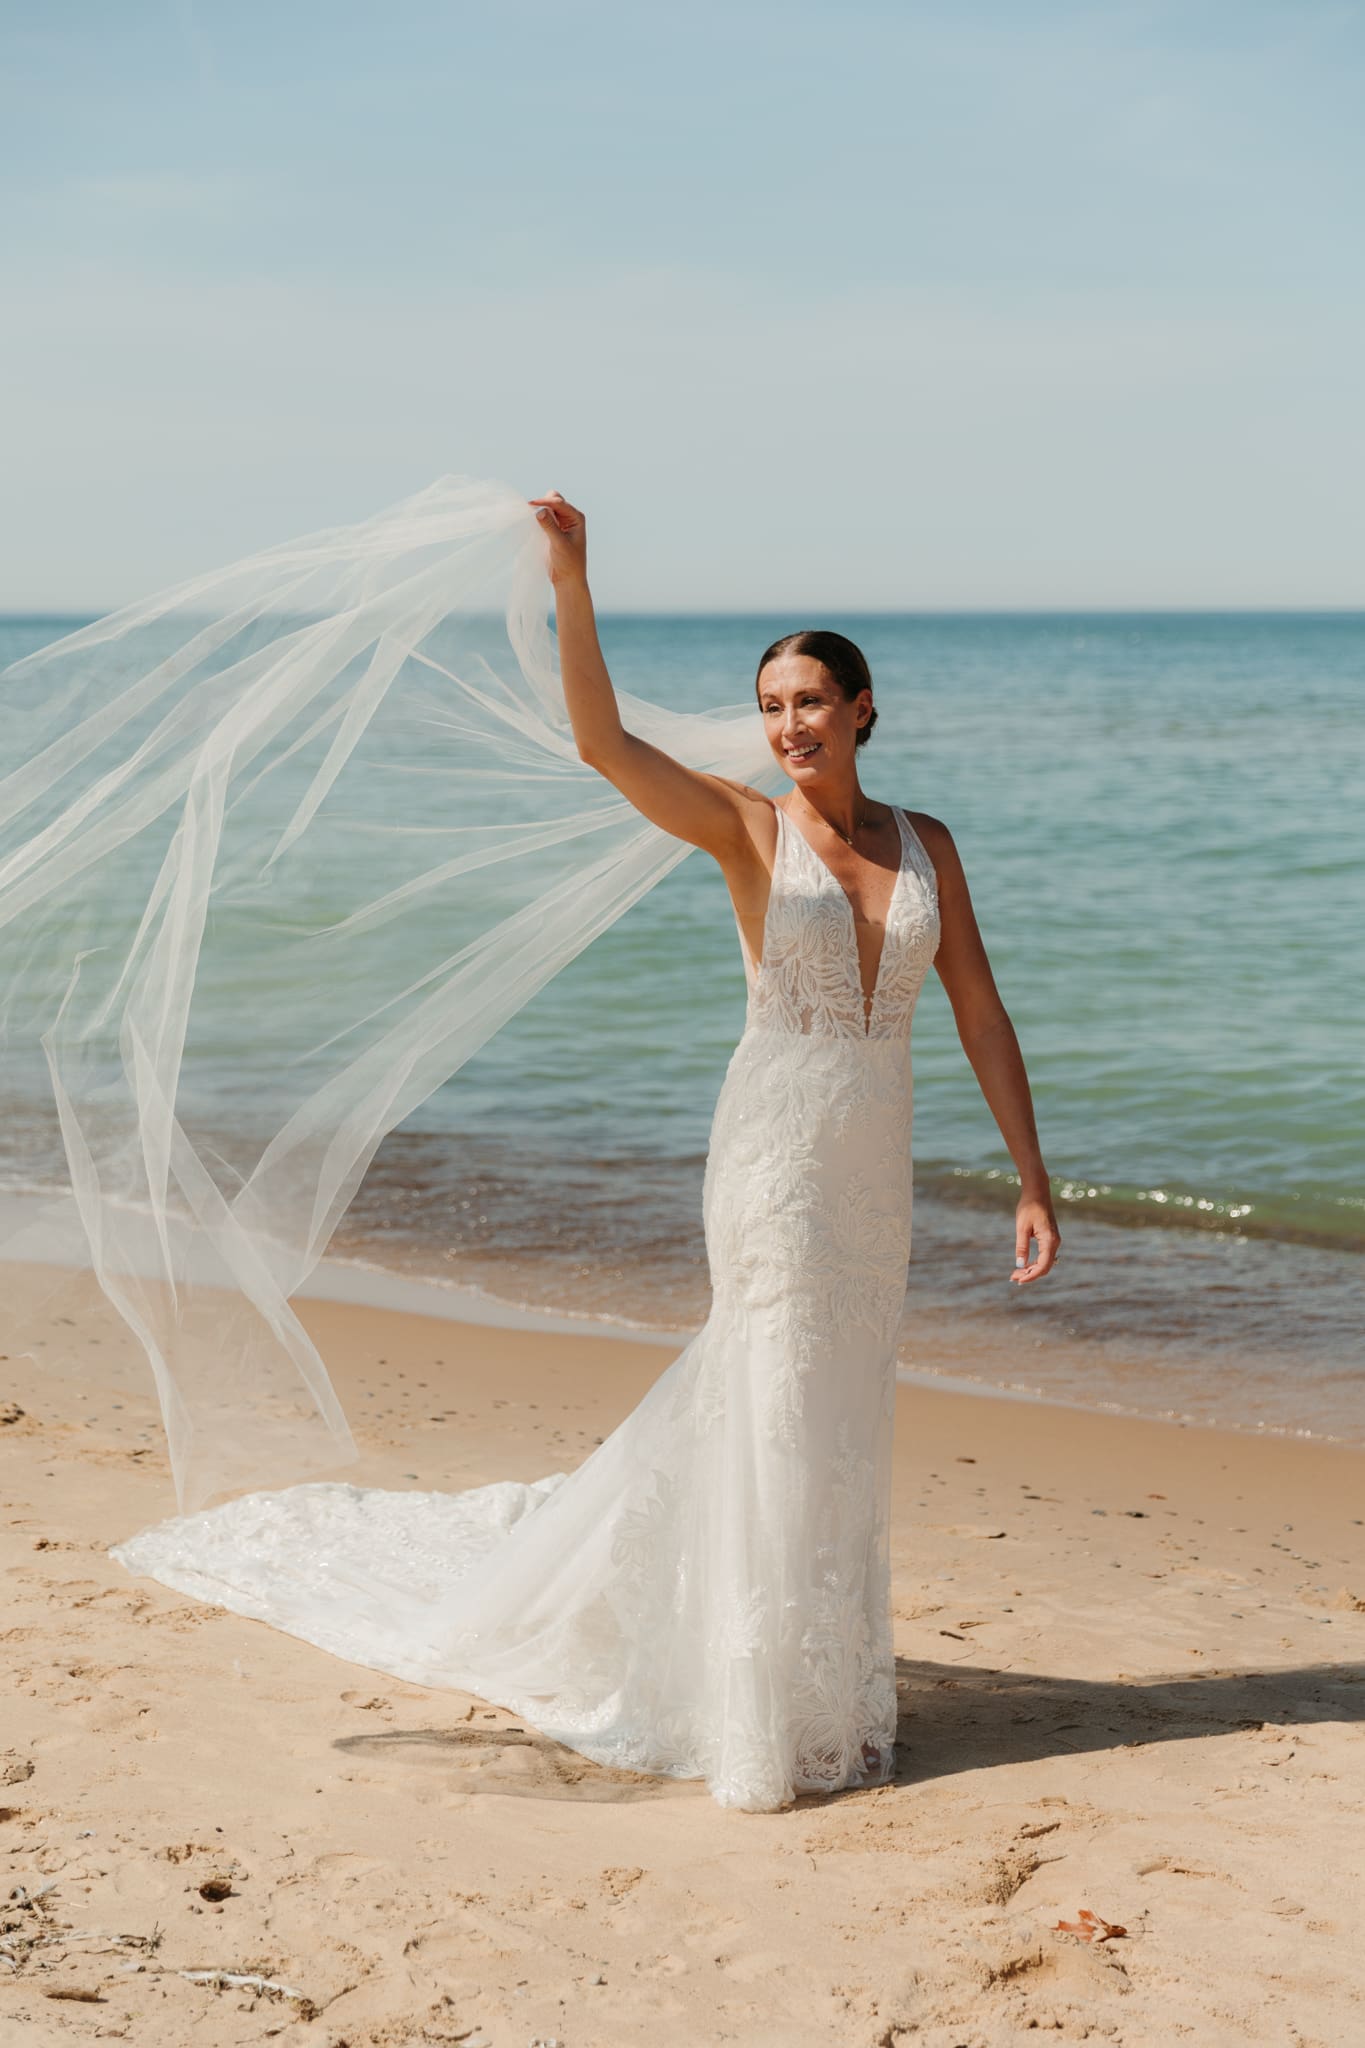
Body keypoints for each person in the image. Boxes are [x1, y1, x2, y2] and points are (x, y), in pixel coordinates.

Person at [111, 486, 1060, 1813]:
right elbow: (600, 741)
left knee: (836, 1409)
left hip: (872, 1156)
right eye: (772, 704)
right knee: (775, 1389)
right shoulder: (744, 828)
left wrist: (1029, 1174)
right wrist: (573, 580)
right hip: (774, 1151)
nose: (788, 725)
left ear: (860, 710)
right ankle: (750, 1716)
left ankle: (823, 1689)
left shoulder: (929, 847)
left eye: (809, 702)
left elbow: (975, 1006)